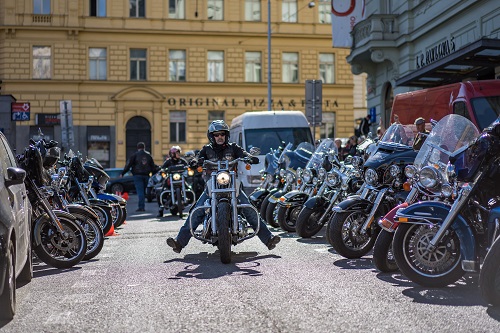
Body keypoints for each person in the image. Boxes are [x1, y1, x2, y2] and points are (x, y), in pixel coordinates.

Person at [166, 120, 281, 253]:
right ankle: (179, 242)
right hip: (211, 186)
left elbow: (243, 154)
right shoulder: (207, 149)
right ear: (212, 136)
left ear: (226, 135)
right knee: (197, 210)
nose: (219, 137)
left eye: (222, 134)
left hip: (232, 185)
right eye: (216, 135)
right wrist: (195, 161)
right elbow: (198, 157)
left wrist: (249, 157)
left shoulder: (233, 148)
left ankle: (269, 239)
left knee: (249, 208)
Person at [121, 142, 157, 212]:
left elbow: (128, 165)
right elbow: (153, 166)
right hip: (146, 175)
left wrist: (123, 173)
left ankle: (141, 207)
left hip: (137, 176)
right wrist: (153, 174)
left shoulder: (134, 155)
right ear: (144, 147)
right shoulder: (148, 155)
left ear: (138, 148)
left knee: (140, 192)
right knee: (143, 191)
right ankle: (142, 206)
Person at [157, 146, 189, 218]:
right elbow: (163, 168)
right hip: (171, 179)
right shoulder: (168, 161)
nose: (178, 154)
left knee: (189, 188)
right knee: (162, 190)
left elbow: (187, 165)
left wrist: (189, 167)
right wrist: (162, 170)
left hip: (180, 178)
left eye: (178, 153)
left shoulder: (182, 161)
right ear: (172, 154)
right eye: (177, 153)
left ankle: (190, 200)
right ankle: (161, 208)